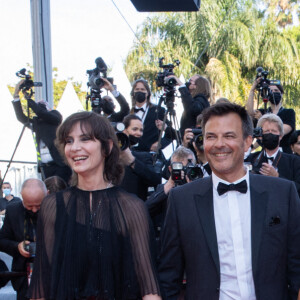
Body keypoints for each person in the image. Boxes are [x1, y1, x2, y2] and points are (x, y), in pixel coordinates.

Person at [159, 102, 300, 299]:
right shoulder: (182, 200)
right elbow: (168, 275)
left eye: (229, 136)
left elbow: (296, 266)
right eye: (211, 137)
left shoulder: (282, 193)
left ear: (247, 141)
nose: (219, 144)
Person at [29, 111, 161, 300]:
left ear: (107, 147)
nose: (74, 148)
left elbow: (149, 290)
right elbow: (40, 285)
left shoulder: (132, 207)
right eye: (69, 141)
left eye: (85, 139)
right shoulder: (53, 207)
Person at [12, 80, 72, 183]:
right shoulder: (37, 124)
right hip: (45, 167)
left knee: (61, 189)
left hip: (59, 165)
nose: (40, 104)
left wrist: (30, 100)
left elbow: (42, 112)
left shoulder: (55, 117)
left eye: (43, 104)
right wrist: (16, 96)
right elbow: (21, 117)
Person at [0, 178, 47, 300]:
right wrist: (17, 246)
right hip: (23, 274)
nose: (34, 210)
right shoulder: (13, 210)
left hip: (50, 275)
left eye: (38, 205)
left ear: (47, 194)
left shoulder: (57, 209)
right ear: (22, 197)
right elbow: (2, 241)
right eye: (29, 206)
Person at [146, 146, 195, 248]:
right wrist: (169, 184)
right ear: (170, 169)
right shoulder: (163, 189)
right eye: (179, 168)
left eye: (188, 168)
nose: (183, 173)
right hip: (170, 245)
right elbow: (145, 210)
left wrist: (193, 186)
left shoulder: (200, 187)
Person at [246, 113, 300, 196]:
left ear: (281, 136)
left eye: (274, 131)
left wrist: (277, 177)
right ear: (260, 136)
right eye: (267, 131)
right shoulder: (251, 159)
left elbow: (298, 189)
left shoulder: (294, 161)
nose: (270, 134)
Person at [246, 79, 295, 154]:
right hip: (265, 154)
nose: (273, 93)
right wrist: (252, 90)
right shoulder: (263, 111)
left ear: (281, 93)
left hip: (284, 154)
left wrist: (262, 120)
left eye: (276, 90)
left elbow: (281, 131)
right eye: (271, 91)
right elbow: (250, 112)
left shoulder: (289, 112)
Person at [119, 114, 161, 201]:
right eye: (134, 129)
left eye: (141, 130)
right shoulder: (109, 154)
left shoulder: (144, 156)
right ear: (124, 130)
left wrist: (133, 162)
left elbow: (155, 180)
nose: (138, 133)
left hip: (135, 207)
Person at [130, 78, 170, 152]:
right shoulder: (128, 113)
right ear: (133, 92)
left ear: (147, 93)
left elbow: (170, 133)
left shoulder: (158, 111)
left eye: (142, 89)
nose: (139, 91)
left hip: (150, 156)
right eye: (137, 89)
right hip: (132, 154)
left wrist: (160, 144)